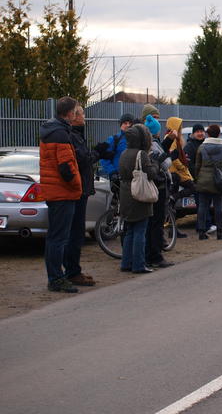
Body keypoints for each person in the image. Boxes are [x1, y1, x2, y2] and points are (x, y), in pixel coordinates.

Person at [39, 96, 83, 293]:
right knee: (59, 238)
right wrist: (76, 185)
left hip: (54, 191)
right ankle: (56, 278)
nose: (77, 114)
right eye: (76, 111)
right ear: (70, 113)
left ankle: (56, 276)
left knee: (54, 237)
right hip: (62, 192)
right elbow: (66, 166)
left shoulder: (51, 130)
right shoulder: (60, 134)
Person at [67, 104, 114, 286]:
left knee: (77, 232)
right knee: (75, 233)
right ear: (74, 116)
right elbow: (83, 159)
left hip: (82, 188)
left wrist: (96, 153)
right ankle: (72, 272)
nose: (84, 117)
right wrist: (97, 152)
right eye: (82, 114)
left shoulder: (77, 135)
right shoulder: (72, 136)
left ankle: (74, 270)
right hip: (77, 189)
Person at [118, 124, 158, 274]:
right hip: (139, 194)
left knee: (129, 230)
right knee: (140, 231)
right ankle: (139, 264)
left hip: (125, 193)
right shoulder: (141, 154)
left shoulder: (124, 153)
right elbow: (151, 174)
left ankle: (126, 263)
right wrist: (155, 164)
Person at [144, 113, 176, 269]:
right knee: (156, 223)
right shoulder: (152, 145)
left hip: (154, 186)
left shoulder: (148, 144)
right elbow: (165, 163)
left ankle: (150, 255)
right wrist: (168, 156)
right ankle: (155, 255)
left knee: (151, 223)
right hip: (158, 186)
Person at [195, 124, 222, 240]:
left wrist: (198, 178)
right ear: (219, 134)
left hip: (203, 180)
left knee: (202, 206)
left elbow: (197, 165)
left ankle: (201, 232)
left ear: (208, 134)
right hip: (218, 181)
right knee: (218, 206)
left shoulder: (202, 147)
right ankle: (220, 232)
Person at [185, 124, 214, 234]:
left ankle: (201, 225)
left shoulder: (206, 144)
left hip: (207, 180)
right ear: (193, 133)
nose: (200, 133)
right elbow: (188, 165)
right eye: (197, 131)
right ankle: (205, 225)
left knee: (205, 203)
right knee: (202, 203)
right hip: (197, 180)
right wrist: (198, 176)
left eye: (201, 131)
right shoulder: (189, 146)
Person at [100, 113, 134, 181]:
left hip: (134, 178)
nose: (128, 125)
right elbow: (103, 158)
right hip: (118, 178)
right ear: (121, 125)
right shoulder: (114, 139)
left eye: (130, 123)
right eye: (125, 123)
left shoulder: (137, 139)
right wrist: (112, 172)